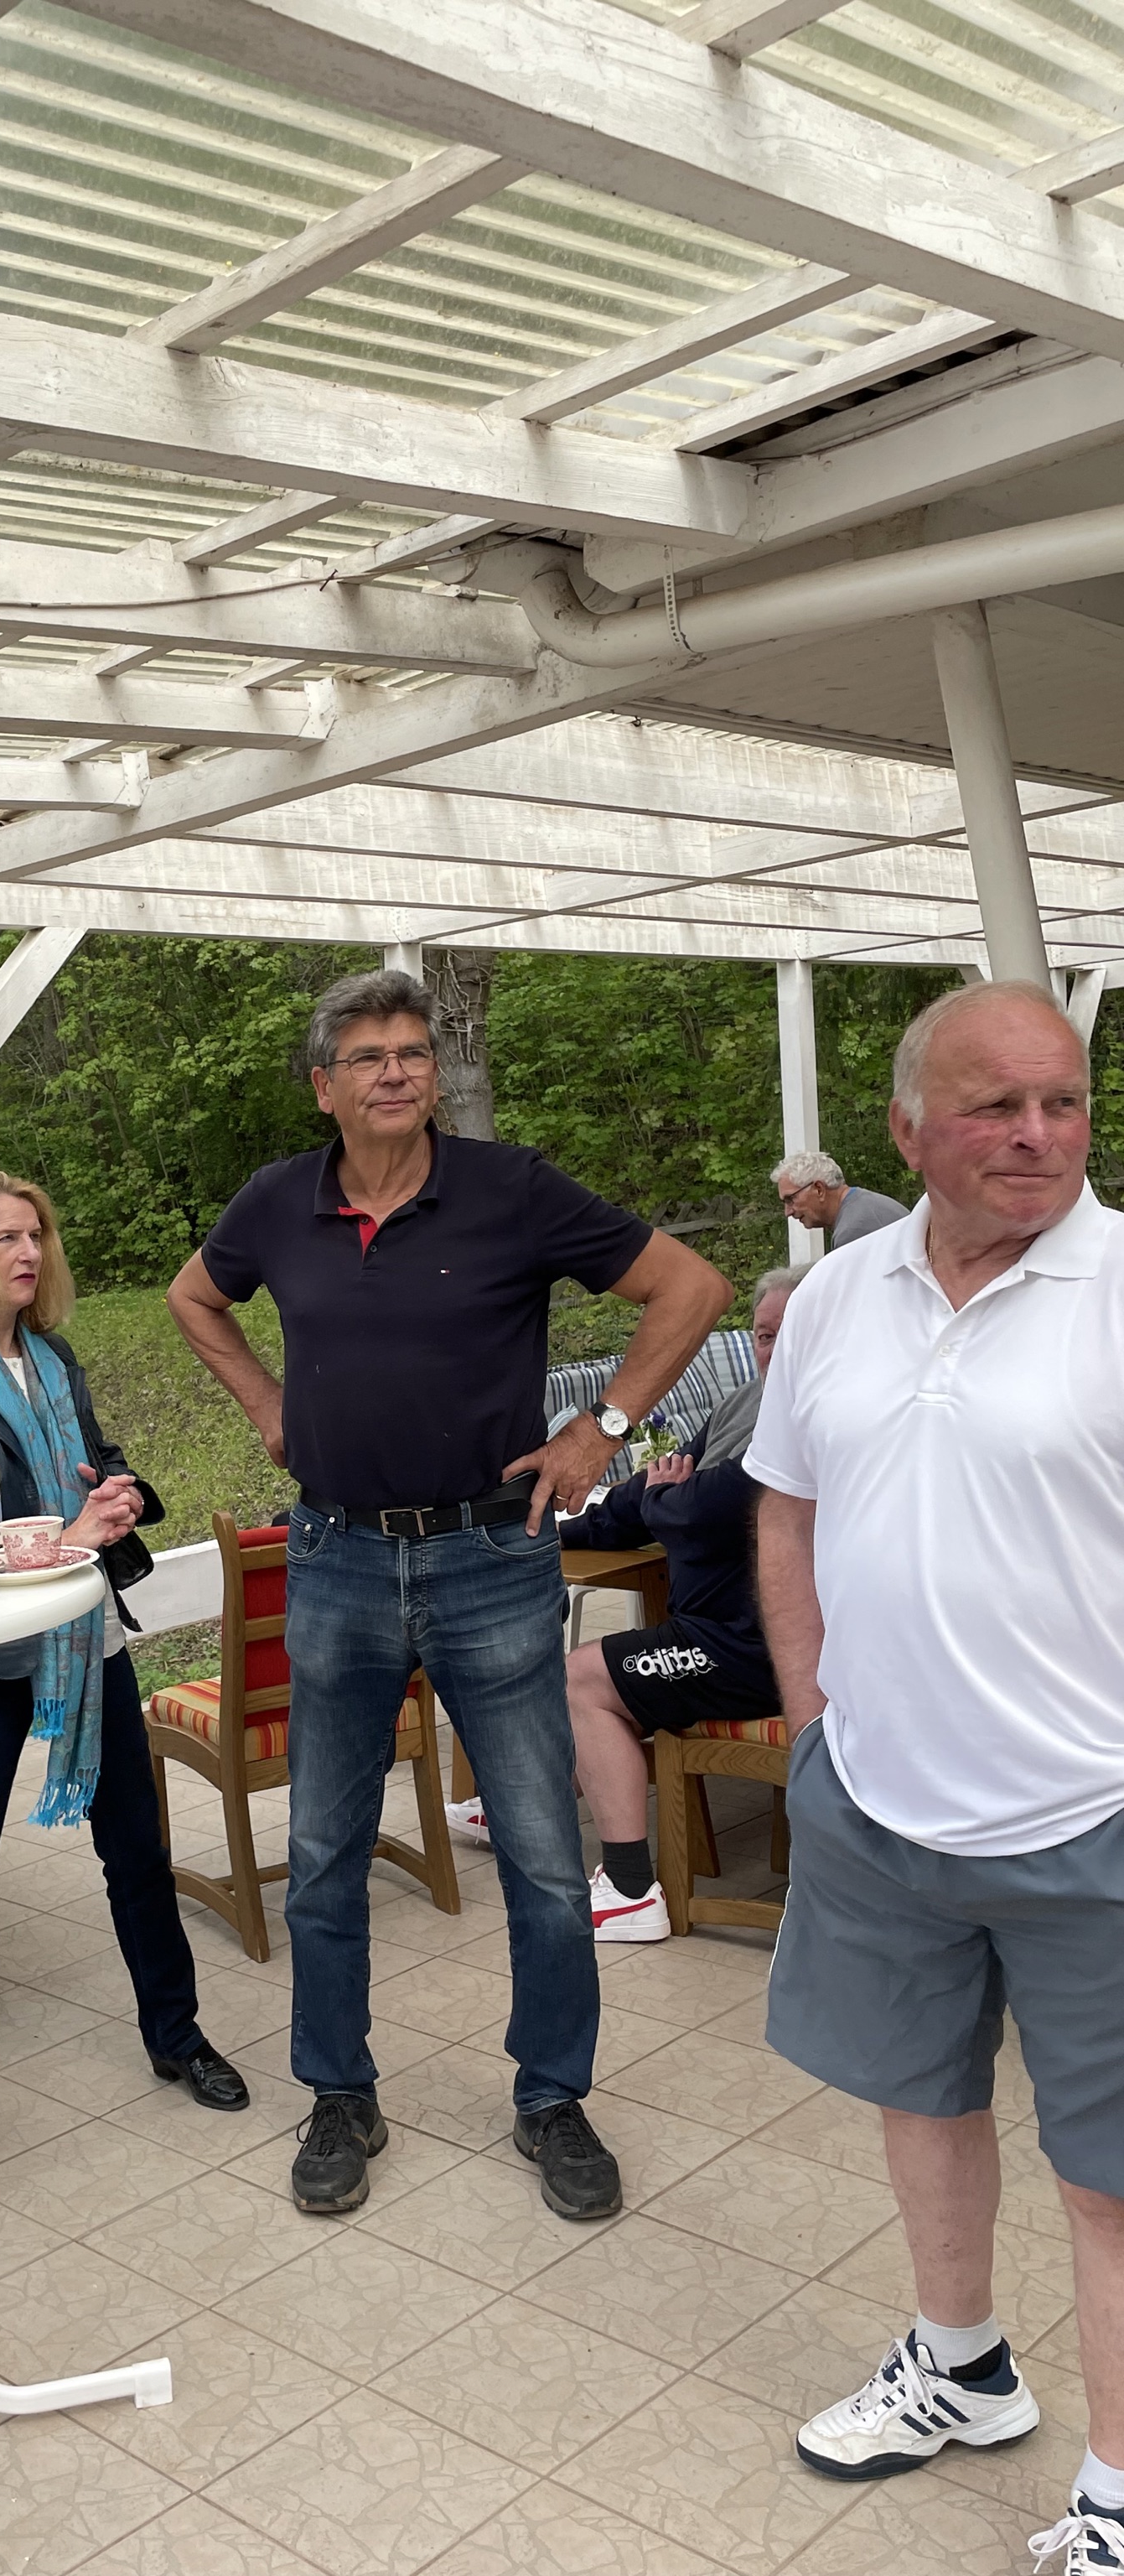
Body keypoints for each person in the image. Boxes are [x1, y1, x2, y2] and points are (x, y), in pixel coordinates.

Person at [168, 967, 730, 2221]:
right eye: (368, 1056)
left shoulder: (510, 1188)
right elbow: (193, 1297)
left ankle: (553, 2098)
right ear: (324, 1086)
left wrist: (600, 1427)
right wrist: (267, 1405)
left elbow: (691, 1288)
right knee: (324, 1853)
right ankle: (339, 2093)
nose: (396, 1072)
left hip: (492, 1557)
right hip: (337, 1556)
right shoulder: (277, 1202)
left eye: (413, 1052)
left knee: (541, 1855)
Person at [748, 981, 1124, 2573]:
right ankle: (960, 2367)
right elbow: (784, 1506)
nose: (1035, 1134)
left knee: (1109, 2177)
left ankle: (1118, 2487)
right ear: (907, 1128)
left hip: (1093, 1815)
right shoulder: (839, 1292)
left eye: (1061, 1101)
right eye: (993, 1105)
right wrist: (811, 1722)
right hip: (877, 1801)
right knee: (920, 2096)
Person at [0, 1171, 249, 2204]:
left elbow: (97, 1464)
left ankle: (177, 2036)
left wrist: (118, 1496)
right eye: (5, 1237)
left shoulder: (52, 1358)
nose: (30, 1252)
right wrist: (63, 1538)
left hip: (88, 1642)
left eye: (35, 1234)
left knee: (139, 1855)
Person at [557, 1264, 805, 1944]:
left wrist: (669, 1500)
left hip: (765, 1651)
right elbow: (650, 1495)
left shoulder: (819, 1420)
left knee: (582, 1679)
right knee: (610, 1672)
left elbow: (706, 1510)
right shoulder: (746, 1404)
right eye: (764, 1335)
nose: (776, 1349)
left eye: (794, 1333)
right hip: (709, 1633)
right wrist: (559, 1533)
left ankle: (629, 1890)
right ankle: (530, 1807)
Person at [771, 1149, 907, 1248]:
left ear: (819, 1189)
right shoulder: (868, 1205)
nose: (788, 1212)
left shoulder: (853, 1232)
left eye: (790, 1199)